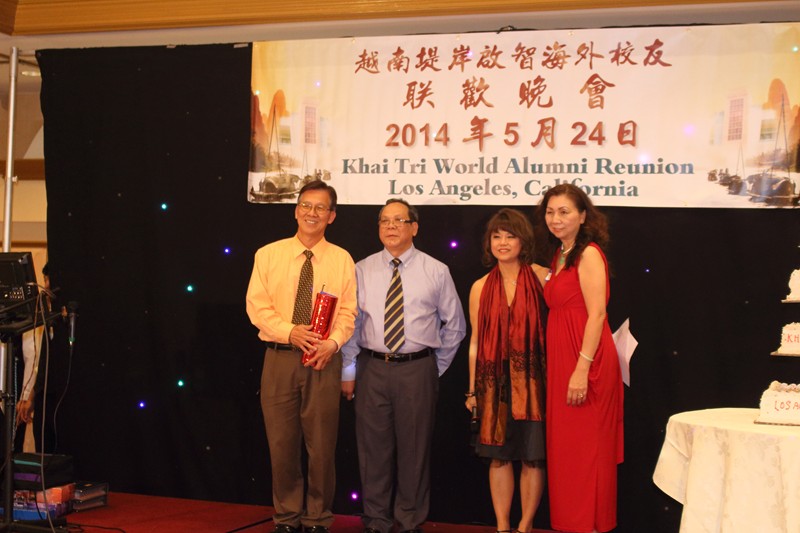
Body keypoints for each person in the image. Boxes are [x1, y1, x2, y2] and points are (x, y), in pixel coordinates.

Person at [341, 198, 466, 533]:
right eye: (385, 221)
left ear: (414, 227)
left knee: (414, 450)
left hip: (417, 369)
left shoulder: (436, 270)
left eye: (399, 220)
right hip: (371, 368)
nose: (391, 226)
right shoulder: (361, 269)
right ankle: (376, 520)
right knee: (373, 450)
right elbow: (351, 324)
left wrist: (433, 368)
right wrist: (348, 370)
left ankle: (409, 521)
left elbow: (455, 326)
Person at [246, 180, 357, 533]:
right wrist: (290, 331)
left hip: (323, 361)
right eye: (306, 206)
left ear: (331, 216)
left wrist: (333, 344)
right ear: (296, 211)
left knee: (321, 447)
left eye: (321, 208)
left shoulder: (341, 259)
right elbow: (257, 307)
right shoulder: (268, 254)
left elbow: (348, 312)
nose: (312, 213)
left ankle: (318, 518)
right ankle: (287, 517)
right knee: (281, 445)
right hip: (279, 357)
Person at [533, 183, 624, 533]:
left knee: (588, 451)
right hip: (564, 359)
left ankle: (591, 525)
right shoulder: (561, 254)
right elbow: (560, 292)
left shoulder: (589, 254)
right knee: (568, 451)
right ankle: (572, 524)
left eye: (564, 212)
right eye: (550, 212)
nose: (555, 219)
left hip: (586, 361)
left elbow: (597, 314)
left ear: (583, 216)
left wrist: (581, 369)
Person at [465, 208, 548, 533]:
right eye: (496, 236)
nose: (502, 242)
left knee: (532, 457)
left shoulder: (542, 277)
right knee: (498, 457)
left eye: (510, 236)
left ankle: (525, 526)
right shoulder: (480, 287)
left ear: (522, 240)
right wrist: (472, 391)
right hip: (492, 383)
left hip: (533, 382)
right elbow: (475, 341)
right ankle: (502, 526)